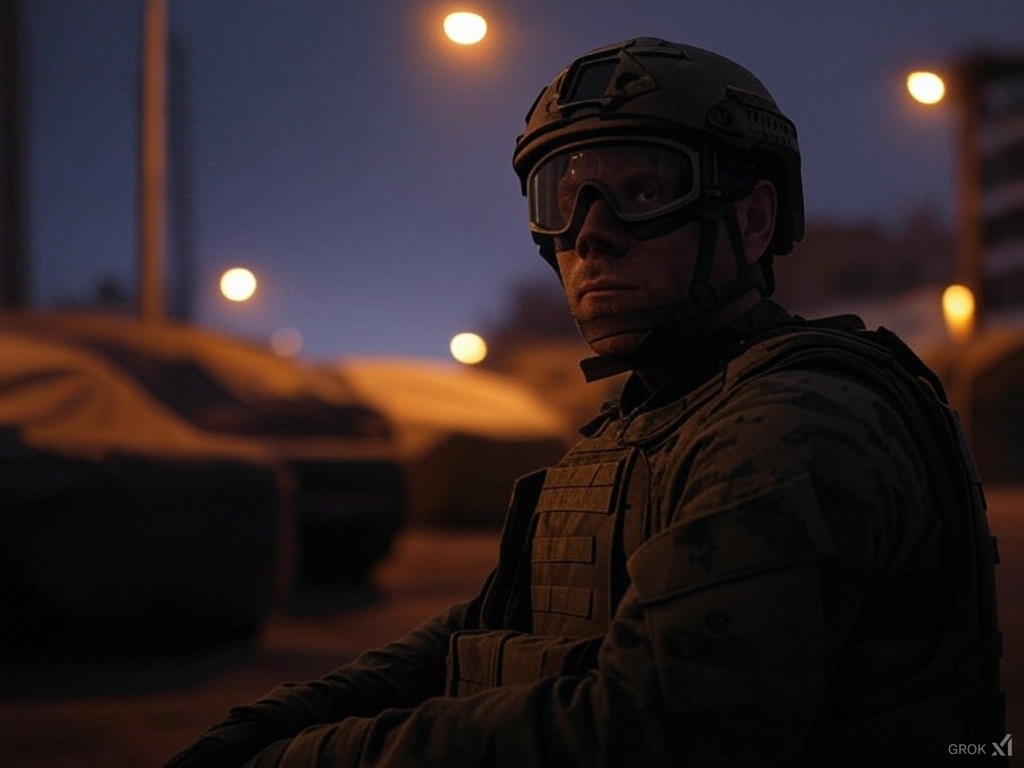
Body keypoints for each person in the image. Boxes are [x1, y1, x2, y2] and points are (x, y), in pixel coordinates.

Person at [165, 37, 1004, 767]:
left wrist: (299, 759)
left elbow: (645, 732)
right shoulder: (646, 420)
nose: (591, 233)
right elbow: (477, 631)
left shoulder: (793, 425)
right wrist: (264, 728)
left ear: (752, 222)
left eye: (645, 189)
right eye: (564, 198)